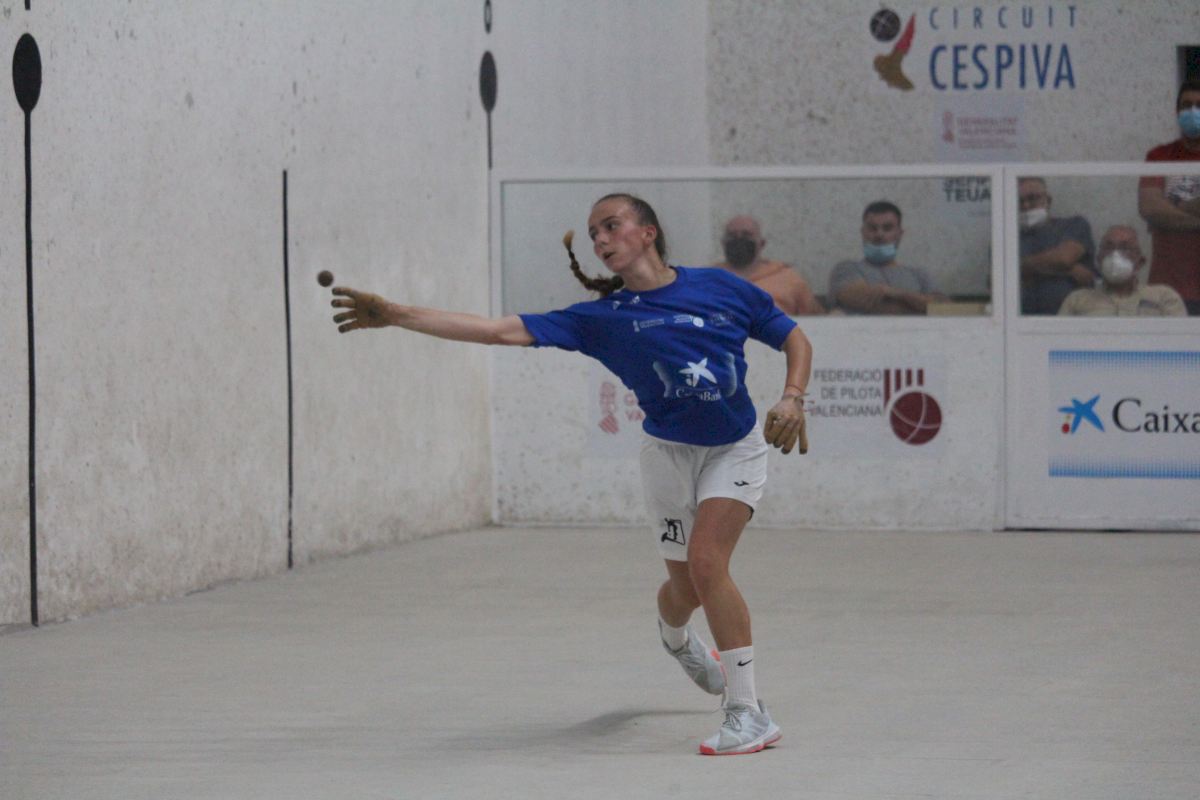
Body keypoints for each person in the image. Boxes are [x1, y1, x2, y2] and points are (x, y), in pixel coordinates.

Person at [330, 193, 813, 756]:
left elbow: (793, 337)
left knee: (708, 564)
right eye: (593, 234)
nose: (601, 240)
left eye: (611, 226)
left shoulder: (721, 287)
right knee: (685, 590)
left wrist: (793, 396)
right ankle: (676, 637)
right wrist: (396, 314)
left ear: (648, 232)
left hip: (735, 448)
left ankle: (748, 712)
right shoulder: (600, 320)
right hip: (667, 455)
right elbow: (496, 330)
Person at [1138, 79, 1200, 315]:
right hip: (1165, 288)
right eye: (1186, 105)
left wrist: (1172, 209)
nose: (1193, 111)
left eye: (1199, 105)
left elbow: (1160, 210)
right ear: (1177, 111)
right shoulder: (1159, 155)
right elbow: (1150, 208)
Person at [828, 200, 945, 314]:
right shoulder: (846, 269)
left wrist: (895, 292)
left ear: (899, 234)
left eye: (887, 228)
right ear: (863, 233)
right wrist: (919, 305)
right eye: (872, 228)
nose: (879, 234)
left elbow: (944, 309)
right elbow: (857, 299)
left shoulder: (919, 275)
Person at [1058, 225, 1185, 317]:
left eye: (1125, 248)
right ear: (1099, 260)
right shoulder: (1077, 300)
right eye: (1108, 247)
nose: (1115, 254)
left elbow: (1180, 340)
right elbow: (1058, 341)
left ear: (1140, 262)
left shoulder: (1164, 297)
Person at [1017, 177, 1097, 315]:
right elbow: (997, 280)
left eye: (1032, 198)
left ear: (1048, 200)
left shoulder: (1073, 225)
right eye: (1019, 201)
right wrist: (1068, 270)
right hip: (1022, 320)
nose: (1026, 206)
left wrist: (1021, 267)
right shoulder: (1007, 237)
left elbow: (1064, 259)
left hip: (1072, 319)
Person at [716, 215, 824, 315]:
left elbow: (817, 320)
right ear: (723, 243)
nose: (739, 239)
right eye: (732, 235)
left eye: (747, 235)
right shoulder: (710, 277)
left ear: (762, 243)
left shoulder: (790, 279)